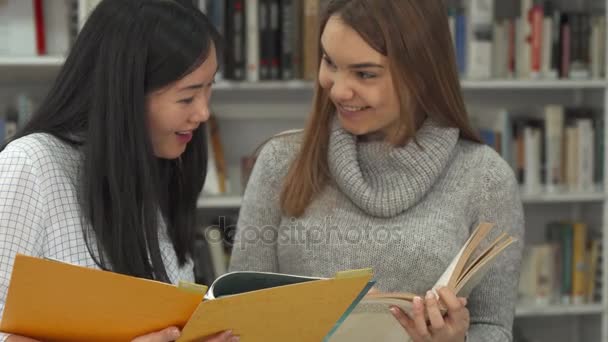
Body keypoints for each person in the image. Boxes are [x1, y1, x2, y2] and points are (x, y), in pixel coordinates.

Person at [229, 0, 524, 341]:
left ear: (421, 74)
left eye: (365, 73)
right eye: (330, 62)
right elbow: (240, 312)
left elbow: (494, 327)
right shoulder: (281, 161)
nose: (337, 89)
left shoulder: (485, 179)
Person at [0, 1, 237, 341]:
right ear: (125, 94)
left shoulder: (159, 167)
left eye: (209, 88)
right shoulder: (30, 167)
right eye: (187, 98)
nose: (202, 113)